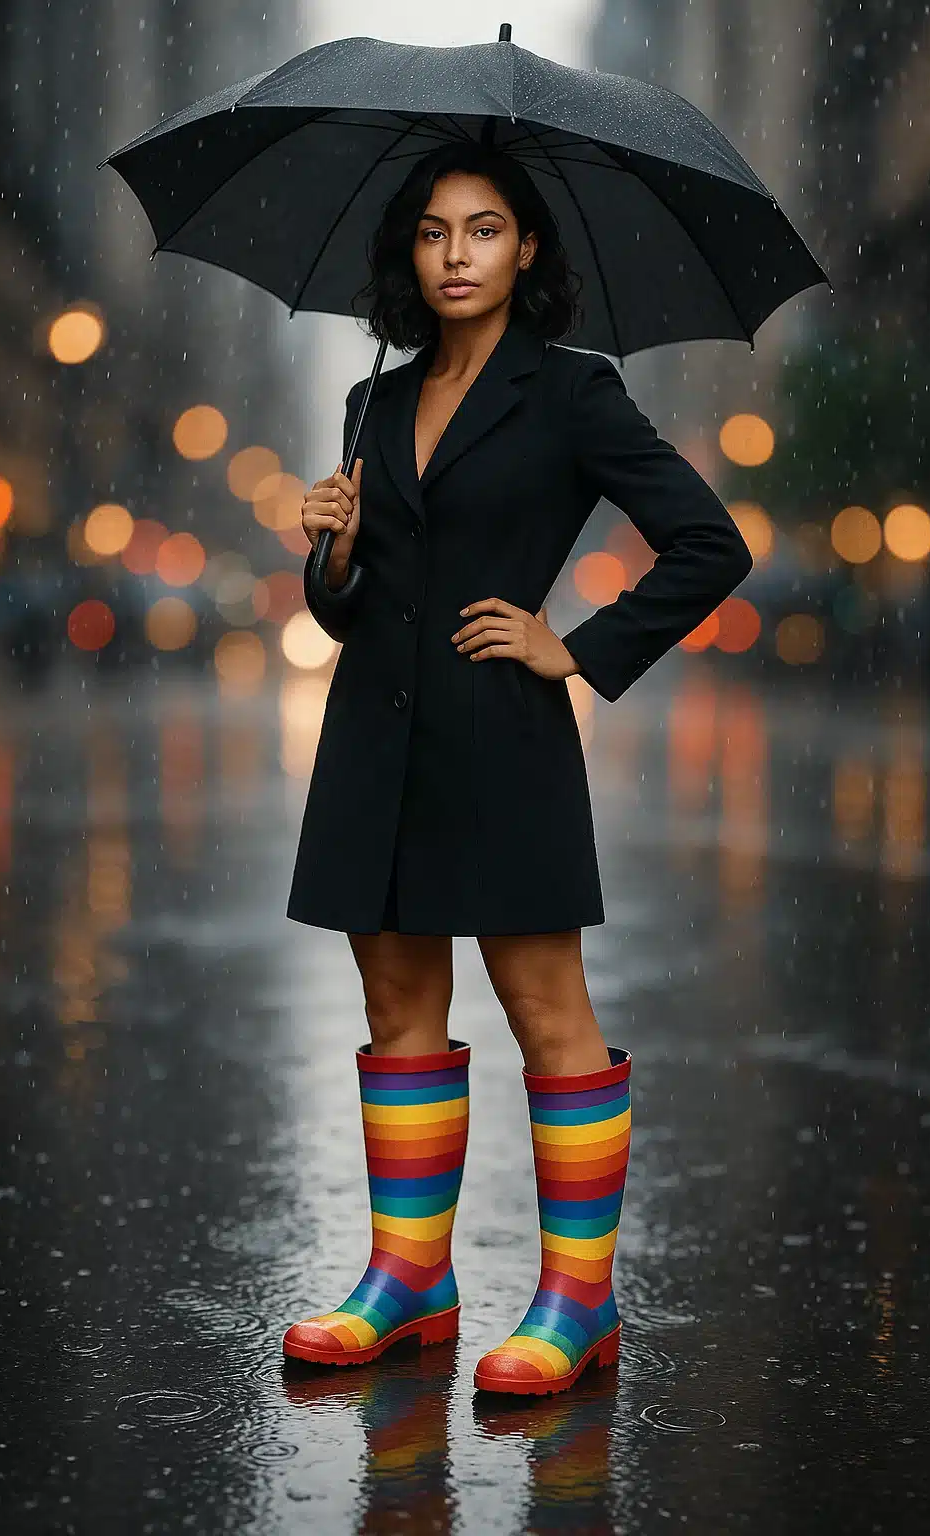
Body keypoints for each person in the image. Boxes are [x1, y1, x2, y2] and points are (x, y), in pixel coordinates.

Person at [282, 141, 753, 1395]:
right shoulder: (371, 404)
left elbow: (709, 545)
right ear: (408, 253)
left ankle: (576, 1302)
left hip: (502, 734)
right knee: (396, 1016)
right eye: (433, 233)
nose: (455, 256)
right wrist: (324, 555)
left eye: (483, 230)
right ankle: (407, 1279)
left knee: (551, 1014)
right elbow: (349, 606)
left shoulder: (572, 393)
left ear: (526, 249)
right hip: (372, 741)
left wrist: (575, 646)